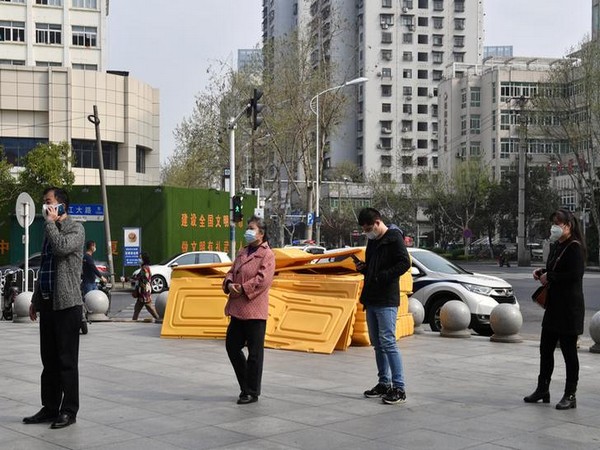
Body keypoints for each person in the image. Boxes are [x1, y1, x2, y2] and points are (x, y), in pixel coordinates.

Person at [23, 187, 85, 429]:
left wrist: (50, 224)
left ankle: (69, 410)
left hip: (67, 305)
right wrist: (36, 300)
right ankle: (49, 408)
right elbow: (45, 268)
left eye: (48, 202)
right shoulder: (49, 231)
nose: (45, 206)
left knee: (66, 361)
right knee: (48, 361)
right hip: (48, 303)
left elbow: (60, 248)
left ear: (61, 205)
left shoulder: (76, 229)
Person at [525, 208, 586, 410]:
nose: (555, 227)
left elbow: (574, 275)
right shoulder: (556, 246)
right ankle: (543, 389)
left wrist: (550, 277)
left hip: (570, 308)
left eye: (558, 223)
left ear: (568, 226)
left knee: (569, 352)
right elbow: (553, 270)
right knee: (545, 349)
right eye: (554, 223)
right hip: (554, 307)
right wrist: (541, 272)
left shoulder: (575, 247)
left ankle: (570, 394)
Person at [355, 207, 411, 405]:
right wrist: (365, 268)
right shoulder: (373, 240)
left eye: (369, 228)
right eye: (364, 229)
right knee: (377, 344)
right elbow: (373, 265)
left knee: (388, 342)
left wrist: (383, 275)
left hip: (387, 298)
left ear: (378, 222)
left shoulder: (394, 237)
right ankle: (383, 383)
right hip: (371, 297)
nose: (367, 232)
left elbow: (404, 263)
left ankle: (399, 387)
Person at [222, 216, 275, 405]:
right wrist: (228, 283)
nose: (248, 231)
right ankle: (246, 385)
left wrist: (242, 288)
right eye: (247, 228)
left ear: (261, 233)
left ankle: (251, 391)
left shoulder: (267, 254)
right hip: (237, 308)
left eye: (251, 228)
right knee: (232, 346)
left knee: (254, 353)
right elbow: (231, 271)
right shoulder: (242, 251)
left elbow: (263, 280)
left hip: (255, 309)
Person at [131, 252, 160, 321]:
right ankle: (133, 321)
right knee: (137, 308)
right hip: (142, 291)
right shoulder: (145, 268)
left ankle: (159, 319)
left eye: (140, 258)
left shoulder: (145, 269)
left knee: (149, 307)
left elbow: (139, 278)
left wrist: (127, 279)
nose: (139, 259)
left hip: (144, 292)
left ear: (144, 259)